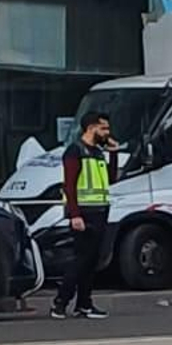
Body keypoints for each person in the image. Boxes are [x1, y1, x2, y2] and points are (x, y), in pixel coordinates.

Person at [51, 112, 116, 320]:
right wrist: (74, 214)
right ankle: (61, 302)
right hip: (84, 213)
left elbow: (111, 178)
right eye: (103, 128)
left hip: (99, 210)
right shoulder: (75, 151)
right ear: (91, 128)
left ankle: (84, 304)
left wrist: (113, 154)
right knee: (81, 260)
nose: (107, 133)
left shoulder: (97, 152)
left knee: (91, 261)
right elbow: (69, 185)